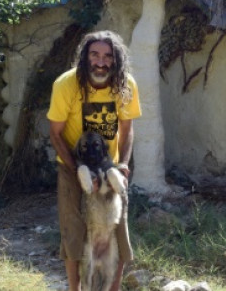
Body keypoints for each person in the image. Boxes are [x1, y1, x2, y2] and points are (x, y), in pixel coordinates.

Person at [48, 30, 141, 291]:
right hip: (71, 165)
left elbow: (127, 129)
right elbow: (55, 134)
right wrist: (78, 169)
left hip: (109, 167)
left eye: (108, 56)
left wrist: (122, 165)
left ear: (116, 60)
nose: (101, 62)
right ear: (85, 56)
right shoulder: (66, 85)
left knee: (118, 232)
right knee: (74, 232)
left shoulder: (126, 85)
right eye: (95, 54)